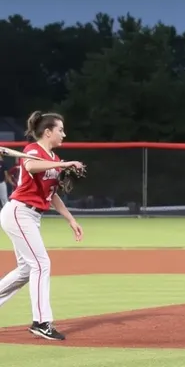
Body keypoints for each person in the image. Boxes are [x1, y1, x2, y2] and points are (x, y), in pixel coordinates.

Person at [0, 111, 85, 341]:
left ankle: (39, 321)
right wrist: (65, 163)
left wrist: (70, 219)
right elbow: (29, 167)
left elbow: (53, 194)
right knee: (41, 263)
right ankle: (41, 322)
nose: (64, 134)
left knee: (27, 270)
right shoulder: (32, 150)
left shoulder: (54, 160)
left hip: (32, 217)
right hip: (19, 212)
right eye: (60, 130)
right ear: (48, 132)